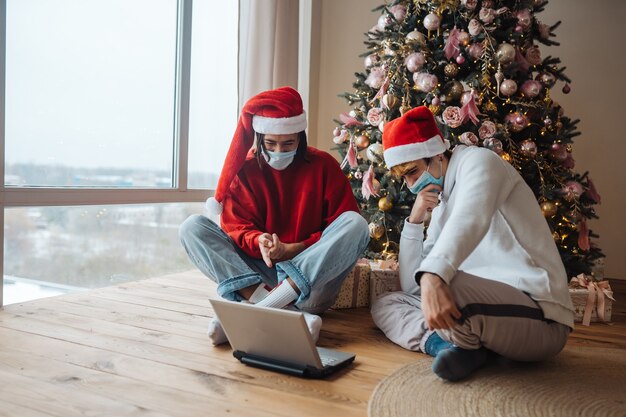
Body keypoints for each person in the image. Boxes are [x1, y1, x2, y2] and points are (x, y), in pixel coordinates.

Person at [370, 106, 574, 381]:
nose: (411, 185)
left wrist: (433, 277)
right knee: (387, 302)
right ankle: (450, 346)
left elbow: (470, 218)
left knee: (445, 283)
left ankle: (467, 344)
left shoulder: (480, 162)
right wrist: (415, 219)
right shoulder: (442, 201)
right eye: (404, 178)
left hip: (540, 317)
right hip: (484, 307)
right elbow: (411, 286)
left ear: (437, 154)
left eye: (414, 173)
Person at [179, 86, 369, 345]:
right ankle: (280, 312)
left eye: (288, 143)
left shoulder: (324, 166)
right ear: (259, 138)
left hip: (311, 285)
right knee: (192, 227)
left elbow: (341, 227)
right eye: (271, 143)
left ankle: (248, 316)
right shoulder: (245, 170)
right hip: (261, 275)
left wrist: (296, 248)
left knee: (356, 224)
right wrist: (259, 242)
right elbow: (236, 227)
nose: (279, 151)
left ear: (300, 137)